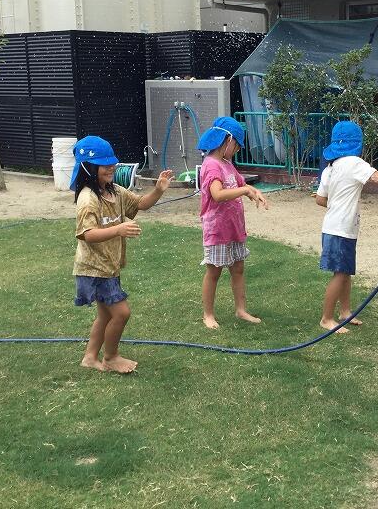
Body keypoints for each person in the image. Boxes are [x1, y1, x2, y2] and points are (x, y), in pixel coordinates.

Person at [71, 135, 173, 374]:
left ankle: (89, 357)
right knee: (121, 313)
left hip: (108, 266)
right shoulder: (88, 198)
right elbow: (86, 233)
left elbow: (140, 204)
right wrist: (118, 229)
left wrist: (158, 190)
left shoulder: (114, 191)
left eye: (112, 162)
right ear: (88, 167)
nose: (111, 167)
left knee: (106, 316)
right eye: (105, 164)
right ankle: (111, 356)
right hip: (94, 268)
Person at [196, 117, 268, 329]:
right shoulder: (211, 165)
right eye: (236, 144)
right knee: (214, 271)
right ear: (227, 140)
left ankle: (241, 310)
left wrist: (254, 191)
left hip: (234, 227)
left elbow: (241, 183)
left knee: (238, 269)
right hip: (217, 230)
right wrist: (245, 191)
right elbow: (217, 195)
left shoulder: (227, 164)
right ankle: (208, 315)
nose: (237, 149)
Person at [315, 121, 378, 334]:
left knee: (344, 271)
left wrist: (337, 201)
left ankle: (345, 312)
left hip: (332, 227)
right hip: (342, 229)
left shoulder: (331, 167)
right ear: (357, 143)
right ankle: (326, 318)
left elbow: (320, 199)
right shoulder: (355, 163)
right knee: (340, 273)